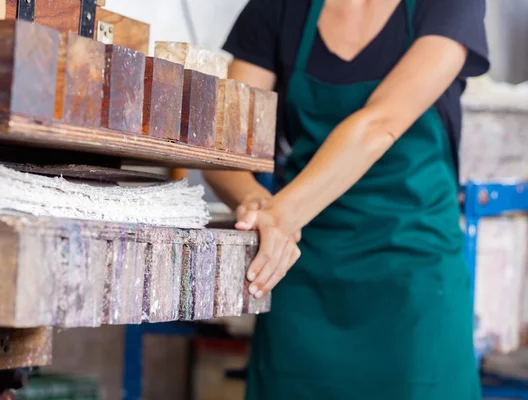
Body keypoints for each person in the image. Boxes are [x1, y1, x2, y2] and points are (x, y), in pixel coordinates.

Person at [202, 0, 490, 398]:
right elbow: (220, 151)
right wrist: (254, 200)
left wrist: (281, 214)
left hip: (413, 279)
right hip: (301, 272)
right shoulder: (279, 8)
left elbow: (380, 123)